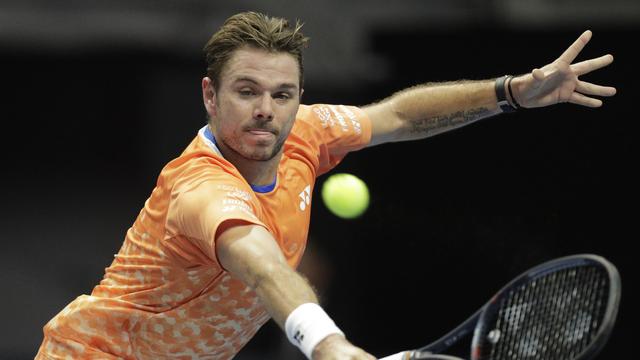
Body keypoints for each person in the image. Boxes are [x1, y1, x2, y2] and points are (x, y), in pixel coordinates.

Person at [36, 11, 616, 360]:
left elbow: (397, 116)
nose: (266, 110)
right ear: (210, 95)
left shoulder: (305, 134)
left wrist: (509, 92)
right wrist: (328, 344)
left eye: (282, 94)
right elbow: (264, 268)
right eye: (246, 91)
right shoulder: (199, 190)